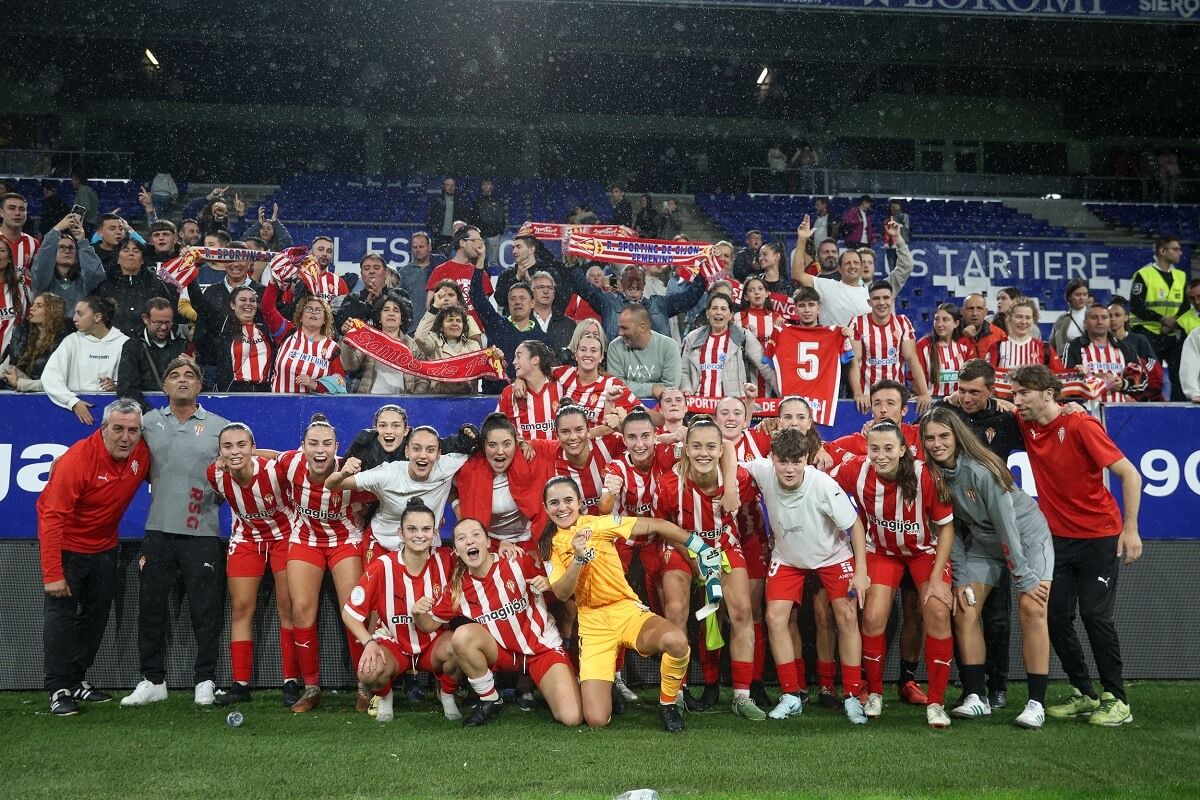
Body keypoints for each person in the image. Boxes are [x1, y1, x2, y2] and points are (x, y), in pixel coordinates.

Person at [1009, 365, 1142, 727]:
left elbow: (1130, 473)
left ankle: (1117, 699)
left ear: (1048, 395)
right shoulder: (1027, 422)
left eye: (1023, 394)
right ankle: (1085, 692)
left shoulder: (1080, 424)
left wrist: (1130, 529)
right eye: (1015, 393)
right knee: (1055, 616)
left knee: (1095, 616)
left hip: (1099, 536)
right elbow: (987, 397)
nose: (1016, 400)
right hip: (1058, 539)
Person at [543, 475, 720, 732]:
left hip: (626, 610)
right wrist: (578, 560)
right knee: (596, 719)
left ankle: (668, 703)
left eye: (568, 500)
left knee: (677, 641)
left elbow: (657, 524)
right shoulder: (549, 545)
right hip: (593, 625)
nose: (562, 507)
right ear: (546, 508)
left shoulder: (599, 524)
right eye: (554, 503)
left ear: (580, 502)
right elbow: (560, 593)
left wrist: (701, 547)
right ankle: (607, 686)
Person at [920, 408, 1054, 729]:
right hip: (984, 544)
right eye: (930, 438)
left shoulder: (982, 471)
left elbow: (1007, 525)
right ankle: (977, 697)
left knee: (1031, 608)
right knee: (966, 608)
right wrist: (962, 578)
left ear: (957, 436)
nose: (937, 444)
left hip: (1027, 539)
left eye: (943, 436)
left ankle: (1036, 703)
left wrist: (1022, 573)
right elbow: (951, 531)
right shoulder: (932, 475)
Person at [831, 420, 956, 729]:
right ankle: (874, 693)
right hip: (881, 552)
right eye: (874, 448)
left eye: (888, 448)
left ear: (903, 450)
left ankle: (937, 702)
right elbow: (821, 485)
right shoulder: (855, 471)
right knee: (872, 616)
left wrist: (939, 578)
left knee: (938, 611)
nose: (881, 455)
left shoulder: (925, 475)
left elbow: (947, 528)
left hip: (924, 552)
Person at [119, 357, 230, 709]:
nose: (182, 380)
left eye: (189, 376)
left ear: (200, 386)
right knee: (151, 609)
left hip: (203, 532)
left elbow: (238, 471)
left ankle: (205, 680)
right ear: (164, 386)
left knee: (205, 610)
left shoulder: (220, 427)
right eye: (174, 376)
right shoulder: (147, 423)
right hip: (158, 531)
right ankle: (153, 680)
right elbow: (113, 449)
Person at [743, 427, 870, 723]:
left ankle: (852, 695)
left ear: (806, 460)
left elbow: (855, 526)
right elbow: (726, 455)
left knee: (847, 617)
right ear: (772, 458)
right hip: (788, 558)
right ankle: (791, 694)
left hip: (832, 555)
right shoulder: (761, 470)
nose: (789, 469)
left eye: (796, 461)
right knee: (775, 618)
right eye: (783, 461)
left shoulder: (823, 485)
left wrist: (861, 571)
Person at [38, 398, 149, 716]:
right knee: (61, 619)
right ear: (103, 429)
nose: (125, 437)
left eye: (132, 430)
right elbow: (50, 516)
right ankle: (58, 688)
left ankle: (76, 681)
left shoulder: (141, 453)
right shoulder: (76, 461)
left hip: (105, 549)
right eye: (118, 429)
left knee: (95, 618)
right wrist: (52, 573)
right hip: (68, 550)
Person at [415, 517, 582, 728]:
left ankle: (567, 685)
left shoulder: (517, 561)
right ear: (456, 550)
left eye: (476, 535)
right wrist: (417, 614)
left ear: (487, 542)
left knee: (571, 717)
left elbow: (561, 588)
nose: (469, 541)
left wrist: (549, 583)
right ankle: (490, 698)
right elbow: (428, 625)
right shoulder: (457, 588)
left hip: (542, 649)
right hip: (503, 653)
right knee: (462, 636)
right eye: (461, 538)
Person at [656, 417, 762, 719]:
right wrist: (694, 558)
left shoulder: (738, 479)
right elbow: (664, 527)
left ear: (720, 451)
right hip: (682, 547)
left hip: (723, 545)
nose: (704, 453)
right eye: (697, 446)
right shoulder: (667, 484)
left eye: (710, 447)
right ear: (686, 449)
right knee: (676, 610)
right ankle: (674, 692)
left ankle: (741, 696)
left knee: (742, 611)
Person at [272, 414, 374, 713]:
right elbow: (265, 458)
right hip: (305, 540)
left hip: (344, 541)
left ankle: (365, 686)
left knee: (353, 612)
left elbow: (380, 489)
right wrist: (245, 455)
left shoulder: (349, 470)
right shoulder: (288, 464)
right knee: (301, 610)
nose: (320, 449)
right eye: (313, 443)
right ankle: (311, 688)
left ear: (336, 448)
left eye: (327, 444)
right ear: (301, 447)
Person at [206, 422, 302, 708]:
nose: (234, 452)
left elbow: (293, 457)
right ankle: (240, 684)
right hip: (247, 540)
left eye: (241, 445)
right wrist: (235, 458)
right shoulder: (215, 475)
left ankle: (291, 681)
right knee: (241, 609)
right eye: (227, 447)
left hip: (285, 538)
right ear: (219, 451)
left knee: (288, 607)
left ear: (253, 446)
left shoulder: (274, 471)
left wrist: (253, 455)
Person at [341, 498, 463, 723]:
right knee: (368, 671)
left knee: (460, 645)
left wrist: (502, 548)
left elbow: (477, 556)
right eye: (412, 529)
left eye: (426, 529)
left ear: (435, 532)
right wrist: (368, 643)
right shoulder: (382, 566)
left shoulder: (446, 560)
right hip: (394, 642)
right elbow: (349, 613)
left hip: (433, 643)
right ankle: (385, 696)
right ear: (400, 533)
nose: (419, 535)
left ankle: (446, 694)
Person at [325, 425, 472, 557]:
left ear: (439, 454)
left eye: (430, 450)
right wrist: (343, 473)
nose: (423, 455)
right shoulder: (388, 474)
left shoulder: (447, 466)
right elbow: (331, 484)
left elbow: (484, 451)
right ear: (407, 451)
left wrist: (472, 436)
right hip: (383, 545)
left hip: (425, 546)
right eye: (416, 448)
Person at [41, 296, 129, 425]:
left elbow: (133, 384)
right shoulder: (71, 341)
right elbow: (50, 377)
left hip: (113, 416)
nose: (74, 318)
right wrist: (72, 402)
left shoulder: (124, 343)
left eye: (79, 314)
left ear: (97, 317)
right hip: (73, 415)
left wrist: (118, 387)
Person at [848, 280, 931, 415]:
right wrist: (858, 393)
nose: (881, 303)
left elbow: (911, 358)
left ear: (892, 300)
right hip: (868, 399)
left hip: (896, 398)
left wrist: (924, 393)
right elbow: (854, 360)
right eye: (876, 298)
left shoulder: (903, 322)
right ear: (869, 302)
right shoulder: (857, 323)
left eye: (886, 298)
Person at [681, 294, 776, 398]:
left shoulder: (743, 336)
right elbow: (683, 371)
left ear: (731, 315)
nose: (718, 312)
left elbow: (765, 367)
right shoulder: (692, 338)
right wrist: (686, 389)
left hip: (733, 406)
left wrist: (783, 394)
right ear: (707, 313)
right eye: (714, 308)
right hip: (700, 404)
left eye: (723, 309)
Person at [1129, 236, 1189, 400]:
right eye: (1175, 249)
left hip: (1172, 333)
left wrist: (1173, 322)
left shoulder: (1181, 276)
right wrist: (1162, 320)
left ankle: (1179, 408)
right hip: (1147, 333)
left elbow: (1185, 305)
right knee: (1151, 376)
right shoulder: (1144, 274)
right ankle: (1149, 406)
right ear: (1162, 251)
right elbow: (1136, 306)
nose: (1180, 253)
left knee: (1179, 375)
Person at [1061, 304, 1156, 403]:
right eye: (1094, 317)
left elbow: (1142, 381)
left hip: (1119, 411)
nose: (1100, 321)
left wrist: (1123, 384)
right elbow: (1064, 383)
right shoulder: (1074, 347)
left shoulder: (1126, 348)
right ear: (1085, 323)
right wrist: (1092, 379)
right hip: (1086, 412)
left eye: (1104, 317)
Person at [260, 284, 345, 393]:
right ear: (300, 316)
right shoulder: (287, 332)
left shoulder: (332, 348)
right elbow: (267, 307)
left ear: (325, 319)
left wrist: (315, 385)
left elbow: (340, 383)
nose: (314, 312)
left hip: (312, 408)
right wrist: (274, 282)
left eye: (319, 310)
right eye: (309, 309)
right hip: (279, 405)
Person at [340, 291, 420, 395]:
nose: (391, 313)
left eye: (396, 311)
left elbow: (422, 380)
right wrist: (348, 339)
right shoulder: (368, 340)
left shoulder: (412, 345)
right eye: (386, 310)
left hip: (403, 404)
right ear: (380, 318)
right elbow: (349, 365)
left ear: (401, 319)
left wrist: (414, 400)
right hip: (371, 402)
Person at [116, 297, 188, 410]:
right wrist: (150, 414)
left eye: (168, 322)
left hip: (180, 412)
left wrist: (195, 369)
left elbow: (200, 385)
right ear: (145, 319)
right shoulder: (132, 347)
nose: (164, 327)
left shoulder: (183, 346)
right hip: (146, 415)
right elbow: (126, 390)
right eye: (159, 322)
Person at [30, 212, 105, 319]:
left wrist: (82, 241)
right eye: (61, 247)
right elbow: (42, 262)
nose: (67, 251)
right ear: (53, 252)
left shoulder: (83, 281)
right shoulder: (43, 281)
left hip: (77, 331)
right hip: (48, 330)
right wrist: (56, 230)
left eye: (71, 248)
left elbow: (96, 275)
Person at [607, 304, 681, 400]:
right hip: (624, 406)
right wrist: (651, 389)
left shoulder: (669, 346)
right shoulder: (615, 347)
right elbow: (616, 386)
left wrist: (632, 387)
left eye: (625, 328)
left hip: (660, 408)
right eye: (620, 327)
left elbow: (670, 389)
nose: (620, 333)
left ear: (641, 328)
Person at [496, 340, 563, 441]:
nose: (514, 362)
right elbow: (498, 429)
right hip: (524, 456)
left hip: (556, 455)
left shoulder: (561, 385)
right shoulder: (509, 393)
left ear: (535, 360)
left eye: (518, 356)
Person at [1, 292, 68, 391]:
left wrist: (20, 383)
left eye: (39, 306)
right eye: (33, 304)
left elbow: (57, 382)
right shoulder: (21, 332)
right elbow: (7, 366)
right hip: (17, 390)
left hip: (45, 395)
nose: (32, 308)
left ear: (53, 311)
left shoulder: (65, 340)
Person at [412, 303, 483, 395]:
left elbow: (484, 371)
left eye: (458, 321)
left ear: (463, 326)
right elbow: (419, 337)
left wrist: (495, 359)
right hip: (437, 397)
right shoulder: (434, 342)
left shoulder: (472, 345)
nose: (455, 324)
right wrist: (434, 308)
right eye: (450, 320)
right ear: (441, 326)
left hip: (465, 397)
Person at [984, 299, 1063, 371]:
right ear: (1009, 319)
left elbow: (1060, 377)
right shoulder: (997, 347)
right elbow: (987, 377)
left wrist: (1075, 371)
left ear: (1033, 321)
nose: (1023, 322)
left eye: (1028, 318)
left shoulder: (1044, 348)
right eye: (1019, 317)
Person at [916, 303, 971, 399]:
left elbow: (971, 377)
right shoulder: (923, 345)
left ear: (956, 323)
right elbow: (915, 379)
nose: (939, 324)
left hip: (958, 401)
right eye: (936, 319)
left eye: (945, 320)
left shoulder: (965, 345)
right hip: (931, 400)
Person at [1049, 279, 1093, 356]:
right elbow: (1052, 346)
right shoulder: (1061, 319)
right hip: (1067, 363)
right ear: (1069, 297)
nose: (1082, 298)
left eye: (1085, 294)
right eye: (1078, 295)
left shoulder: (1095, 316)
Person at [470, 179, 507, 267]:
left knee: (493, 262)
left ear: (492, 186)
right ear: (481, 186)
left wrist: (499, 232)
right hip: (480, 236)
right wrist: (475, 233)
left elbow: (501, 217)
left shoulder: (497, 201)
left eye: (488, 184)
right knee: (478, 260)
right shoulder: (477, 202)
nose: (486, 186)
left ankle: (492, 279)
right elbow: (472, 218)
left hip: (494, 235)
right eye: (484, 184)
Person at [959, 293, 1007, 360]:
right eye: (970, 308)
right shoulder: (953, 334)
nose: (974, 313)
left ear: (985, 312)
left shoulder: (999, 334)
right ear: (962, 311)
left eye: (979, 308)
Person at [425, 177, 459, 251]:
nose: (450, 187)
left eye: (452, 185)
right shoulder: (437, 200)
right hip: (439, 235)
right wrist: (434, 228)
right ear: (443, 186)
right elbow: (430, 216)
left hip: (455, 236)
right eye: (448, 185)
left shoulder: (460, 201)